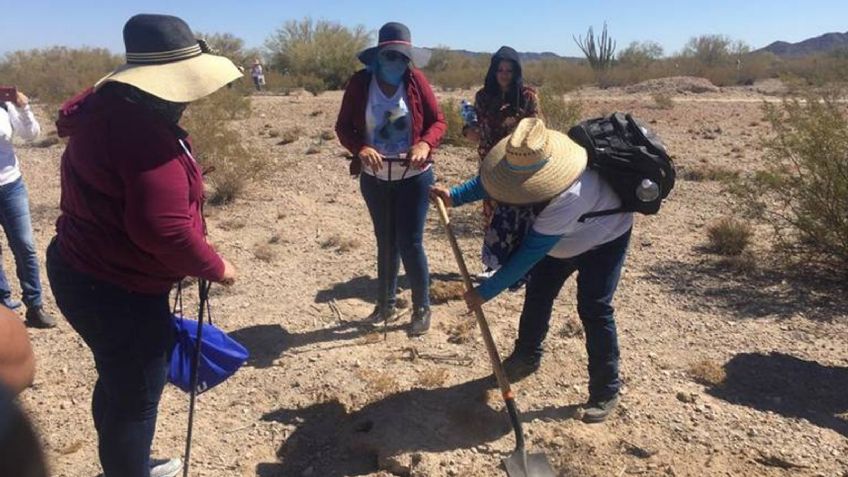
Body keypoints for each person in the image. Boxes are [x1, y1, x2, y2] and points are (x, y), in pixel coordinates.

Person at [47, 14, 240, 477]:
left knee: (119, 379)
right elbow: (162, 230)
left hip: (88, 271)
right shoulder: (141, 134)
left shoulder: (112, 111)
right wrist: (216, 266)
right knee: (136, 395)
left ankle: (126, 465)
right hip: (115, 286)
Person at [431, 118, 633, 423]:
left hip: (604, 239)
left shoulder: (570, 195)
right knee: (538, 294)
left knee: (594, 308)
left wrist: (485, 292)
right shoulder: (527, 159)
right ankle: (527, 356)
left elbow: (527, 255)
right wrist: (454, 196)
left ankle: (606, 390)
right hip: (563, 240)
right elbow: (495, 182)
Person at [335, 22, 446, 336]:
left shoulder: (415, 81)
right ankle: (385, 303)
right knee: (386, 241)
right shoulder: (361, 83)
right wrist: (361, 147)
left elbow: (438, 121)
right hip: (375, 178)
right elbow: (343, 127)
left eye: (401, 56)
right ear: (378, 55)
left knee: (410, 242)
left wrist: (424, 144)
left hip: (414, 176)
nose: (396, 61)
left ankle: (422, 307)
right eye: (390, 55)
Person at [463, 46, 541, 287]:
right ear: (493, 71)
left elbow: (537, 127)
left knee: (520, 214)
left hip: (519, 165)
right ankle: (492, 265)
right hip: (489, 164)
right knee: (492, 213)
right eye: (500, 70)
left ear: (516, 71)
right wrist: (468, 131)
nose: (504, 74)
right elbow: (474, 127)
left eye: (509, 70)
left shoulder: (528, 96)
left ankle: (519, 268)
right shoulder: (483, 96)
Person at [0, 89, 55, 327]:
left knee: (25, 245)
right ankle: (4, 306)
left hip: (11, 185)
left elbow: (30, 134)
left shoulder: (4, 105)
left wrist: (24, 107)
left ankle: (35, 305)